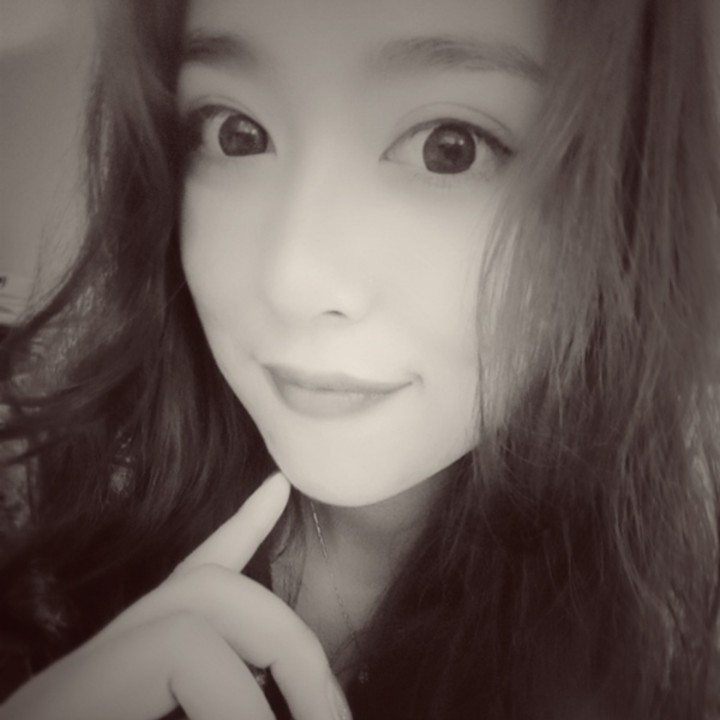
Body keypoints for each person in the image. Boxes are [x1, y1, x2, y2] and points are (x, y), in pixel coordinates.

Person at [1, 0, 719, 717]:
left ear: (626, 188)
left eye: (449, 147)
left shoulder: (686, 643)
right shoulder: (45, 528)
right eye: (236, 133)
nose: (293, 280)